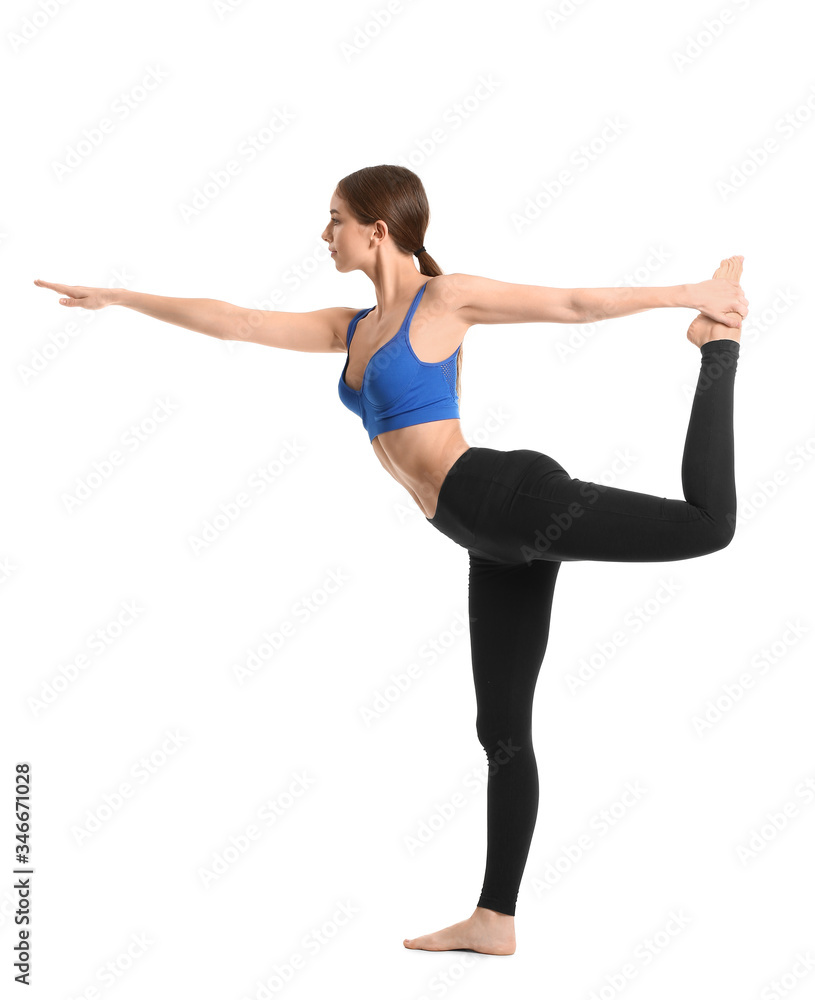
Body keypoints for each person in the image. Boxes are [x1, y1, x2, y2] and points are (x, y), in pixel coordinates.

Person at [34, 164, 748, 957]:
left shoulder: (444, 301)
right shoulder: (353, 327)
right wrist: (122, 298)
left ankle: (718, 352)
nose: (323, 232)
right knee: (501, 731)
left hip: (504, 496)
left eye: (334, 217)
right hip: (483, 536)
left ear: (377, 228)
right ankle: (494, 921)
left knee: (706, 525)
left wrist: (695, 298)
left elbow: (575, 305)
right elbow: (235, 320)